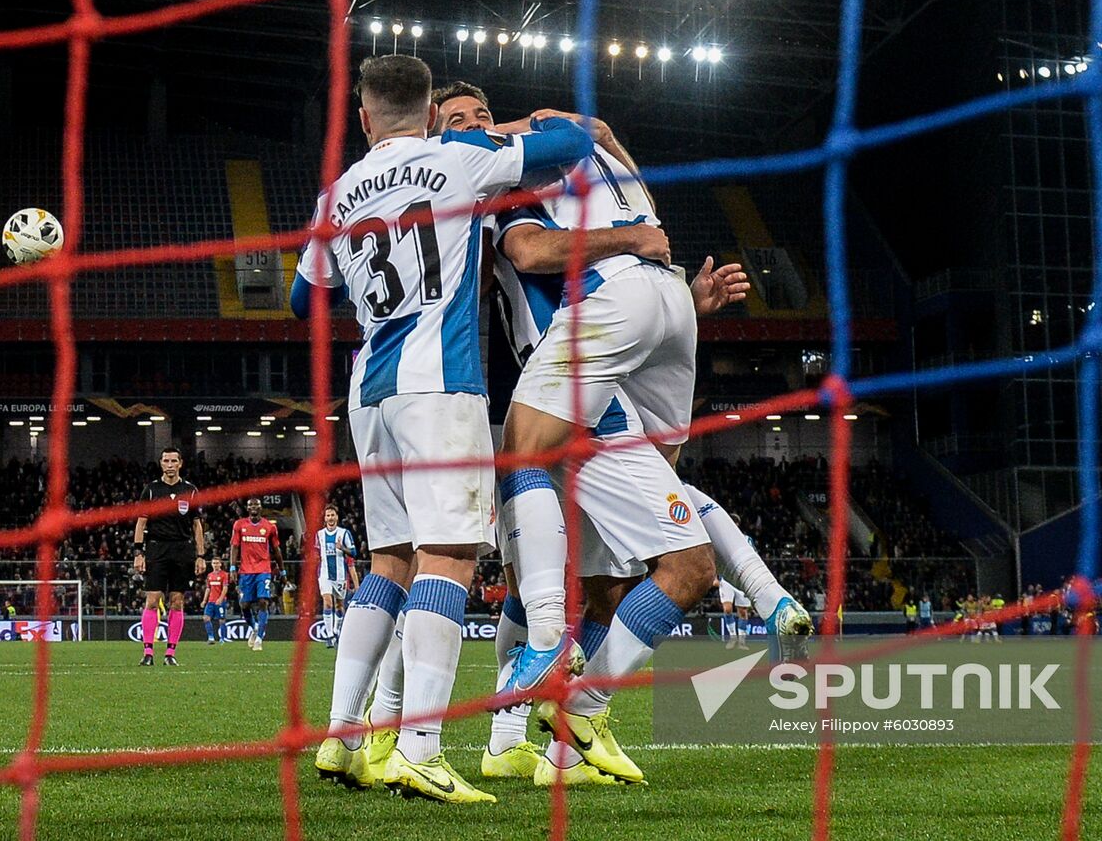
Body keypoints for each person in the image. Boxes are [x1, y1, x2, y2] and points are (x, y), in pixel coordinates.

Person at [428, 83, 809, 786]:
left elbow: (583, 148)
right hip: (601, 360)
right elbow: (545, 218)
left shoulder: (525, 167)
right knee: (590, 578)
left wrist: (659, 280)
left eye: (483, 115)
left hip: (598, 375)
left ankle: (548, 724)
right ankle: (534, 734)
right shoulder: (487, 190)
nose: (479, 127)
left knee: (593, 569)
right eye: (459, 121)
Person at [296, 55, 594, 804]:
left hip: (370, 390)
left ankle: (341, 732)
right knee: (451, 556)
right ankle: (421, 748)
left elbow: (305, 298)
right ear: (432, 113)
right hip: (441, 380)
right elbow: (573, 147)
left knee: (389, 561)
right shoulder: (460, 157)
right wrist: (514, 129)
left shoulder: (339, 191)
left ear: (364, 119)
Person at [133, 447, 206, 667]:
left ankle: (170, 653)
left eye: (174, 460)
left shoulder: (190, 490)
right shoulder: (152, 490)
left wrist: (201, 555)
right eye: (166, 461)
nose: (170, 464)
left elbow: (197, 525)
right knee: (153, 599)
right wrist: (138, 552)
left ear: (180, 463)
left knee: (177, 601)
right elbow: (141, 522)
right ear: (161, 463)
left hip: (182, 550)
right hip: (157, 549)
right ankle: (148, 652)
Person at [230, 497, 281, 652]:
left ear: (260, 508)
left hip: (263, 570)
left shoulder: (269, 527)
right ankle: (255, 627)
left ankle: (259, 638)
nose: (253, 507)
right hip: (246, 571)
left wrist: (282, 569)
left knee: (263, 601)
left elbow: (276, 550)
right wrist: (232, 567)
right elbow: (234, 547)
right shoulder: (239, 525)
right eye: (250, 505)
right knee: (244, 604)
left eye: (256, 505)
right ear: (247, 508)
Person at [315, 505, 361, 648]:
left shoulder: (344, 533)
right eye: (328, 515)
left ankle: (336, 631)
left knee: (339, 605)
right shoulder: (319, 535)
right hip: (325, 574)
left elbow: (354, 553)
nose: (330, 518)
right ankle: (329, 635)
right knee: (328, 602)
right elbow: (316, 553)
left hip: (341, 575)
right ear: (325, 518)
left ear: (337, 517)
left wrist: (342, 548)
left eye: (332, 515)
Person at [202, 556, 230, 645]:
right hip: (210, 601)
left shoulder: (224, 574)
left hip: (220, 601)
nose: (215, 565)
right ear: (211, 564)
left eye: (217, 563)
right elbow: (208, 589)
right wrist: (204, 600)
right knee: (206, 618)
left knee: (221, 620)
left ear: (220, 564)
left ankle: (222, 639)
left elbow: (225, 588)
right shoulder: (209, 575)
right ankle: (211, 638)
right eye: (214, 563)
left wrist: (220, 599)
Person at [719, 577, 752, 648]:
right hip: (726, 581)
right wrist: (715, 578)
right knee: (727, 609)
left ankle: (741, 641)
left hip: (742, 581)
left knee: (742, 612)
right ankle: (733, 637)